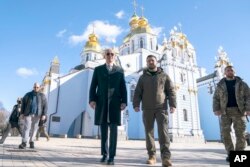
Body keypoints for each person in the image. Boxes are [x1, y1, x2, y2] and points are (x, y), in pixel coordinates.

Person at [133, 55, 176, 167]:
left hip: (161, 108)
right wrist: (136, 104)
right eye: (148, 61)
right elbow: (137, 92)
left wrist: (172, 104)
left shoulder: (164, 76)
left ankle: (166, 158)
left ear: (156, 62)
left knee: (163, 133)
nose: (150, 62)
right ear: (147, 63)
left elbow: (171, 90)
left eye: (152, 60)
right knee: (149, 133)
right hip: (147, 108)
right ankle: (151, 156)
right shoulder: (143, 78)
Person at [89, 48, 127, 165]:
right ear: (104, 56)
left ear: (114, 56)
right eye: (107, 54)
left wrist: (124, 101)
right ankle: (104, 154)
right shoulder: (98, 69)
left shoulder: (120, 71)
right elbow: (93, 86)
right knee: (104, 130)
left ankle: (112, 157)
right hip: (101, 102)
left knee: (114, 131)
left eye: (112, 54)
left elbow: (123, 87)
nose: (110, 56)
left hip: (115, 103)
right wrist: (92, 100)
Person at [213, 65, 250, 162]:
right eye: (228, 70)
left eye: (231, 70)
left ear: (234, 72)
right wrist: (216, 109)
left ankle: (239, 156)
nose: (230, 71)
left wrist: (248, 109)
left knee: (241, 134)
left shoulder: (242, 84)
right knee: (225, 134)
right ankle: (230, 153)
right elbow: (216, 98)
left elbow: (248, 97)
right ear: (225, 73)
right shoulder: (220, 85)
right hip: (225, 112)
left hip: (239, 111)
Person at [19, 82, 48, 149]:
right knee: (26, 128)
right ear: (33, 87)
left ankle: (31, 142)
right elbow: (23, 104)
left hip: (37, 114)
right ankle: (24, 142)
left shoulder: (42, 96)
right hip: (28, 114)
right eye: (35, 87)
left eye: (37, 87)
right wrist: (22, 113)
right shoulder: (28, 95)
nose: (36, 88)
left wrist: (44, 114)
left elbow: (45, 106)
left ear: (39, 87)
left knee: (34, 129)